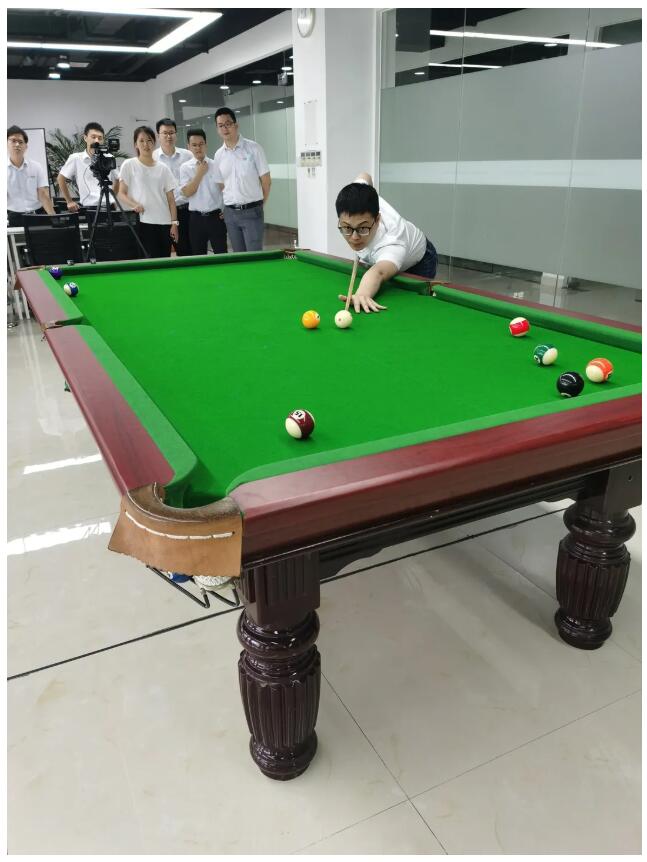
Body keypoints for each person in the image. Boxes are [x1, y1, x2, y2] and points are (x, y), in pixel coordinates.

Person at [335, 172, 438, 313]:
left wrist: (362, 294)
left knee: (413, 308)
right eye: (347, 227)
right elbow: (365, 176)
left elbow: (378, 272)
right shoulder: (359, 194)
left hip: (421, 260)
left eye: (362, 228)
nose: (354, 237)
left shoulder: (392, 242)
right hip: (386, 256)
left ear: (377, 220)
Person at [212, 107, 271, 252]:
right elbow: (221, 184)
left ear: (236, 125)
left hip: (252, 211)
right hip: (230, 214)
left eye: (228, 124)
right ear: (217, 129)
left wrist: (260, 204)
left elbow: (266, 181)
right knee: (238, 256)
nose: (225, 128)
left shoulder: (254, 148)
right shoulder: (218, 155)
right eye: (220, 125)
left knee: (254, 256)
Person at [117, 125, 178, 258]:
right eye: (141, 141)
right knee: (148, 260)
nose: (146, 144)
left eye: (149, 140)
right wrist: (134, 204)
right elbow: (121, 193)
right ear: (136, 144)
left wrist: (174, 223)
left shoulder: (163, 168)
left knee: (164, 260)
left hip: (164, 222)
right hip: (144, 222)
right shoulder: (129, 164)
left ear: (154, 143)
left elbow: (171, 200)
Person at [179, 128, 227, 255]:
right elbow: (187, 192)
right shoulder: (185, 168)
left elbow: (225, 189)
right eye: (194, 145)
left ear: (206, 145)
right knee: (198, 256)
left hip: (216, 217)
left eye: (201, 144)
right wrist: (199, 173)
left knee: (222, 254)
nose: (198, 148)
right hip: (196, 219)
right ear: (188, 147)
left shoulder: (216, 164)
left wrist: (226, 209)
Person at [57, 121, 120, 212]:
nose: (97, 141)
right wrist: (69, 201)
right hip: (89, 208)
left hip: (108, 206)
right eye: (93, 137)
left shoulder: (109, 157)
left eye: (100, 138)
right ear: (85, 138)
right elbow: (60, 178)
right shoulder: (76, 158)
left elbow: (118, 179)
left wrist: (113, 198)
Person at [153, 117, 192, 256]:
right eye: (165, 133)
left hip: (185, 210)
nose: (168, 136)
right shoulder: (152, 158)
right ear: (158, 136)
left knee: (187, 252)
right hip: (162, 213)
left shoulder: (188, 155)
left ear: (176, 134)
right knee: (162, 253)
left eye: (171, 133)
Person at [7, 125, 55, 226]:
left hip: (37, 215)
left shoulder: (36, 167)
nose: (17, 144)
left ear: (26, 146)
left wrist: (54, 218)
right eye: (13, 141)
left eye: (21, 142)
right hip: (13, 217)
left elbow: (43, 194)